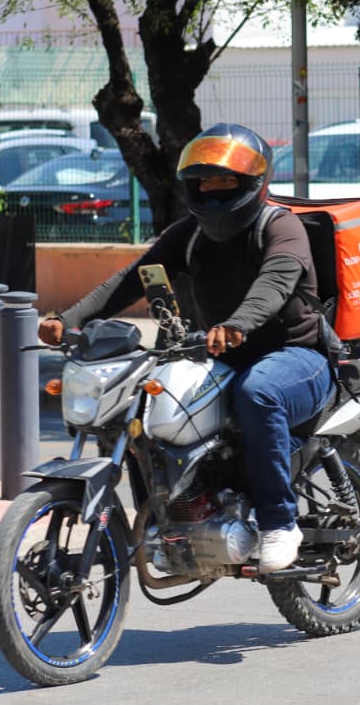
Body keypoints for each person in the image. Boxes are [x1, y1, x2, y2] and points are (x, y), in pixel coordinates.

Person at [37, 123, 335, 574]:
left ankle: (279, 522)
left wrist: (237, 324)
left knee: (257, 392)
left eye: (226, 180)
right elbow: (133, 278)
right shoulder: (191, 233)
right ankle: (167, 525)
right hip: (220, 354)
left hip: (297, 356)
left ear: (253, 182)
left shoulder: (281, 226)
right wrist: (69, 319)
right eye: (205, 181)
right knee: (143, 407)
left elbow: (273, 284)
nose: (213, 190)